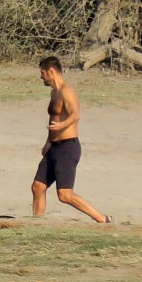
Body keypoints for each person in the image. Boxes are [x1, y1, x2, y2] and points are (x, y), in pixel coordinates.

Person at [31, 57, 112, 223]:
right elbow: (54, 120)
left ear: (51, 71)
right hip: (54, 148)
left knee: (65, 195)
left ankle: (102, 219)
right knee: (38, 187)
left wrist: (62, 127)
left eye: (43, 73)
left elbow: (75, 114)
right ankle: (36, 222)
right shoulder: (54, 92)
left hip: (67, 148)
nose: (41, 77)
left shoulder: (67, 91)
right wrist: (48, 143)